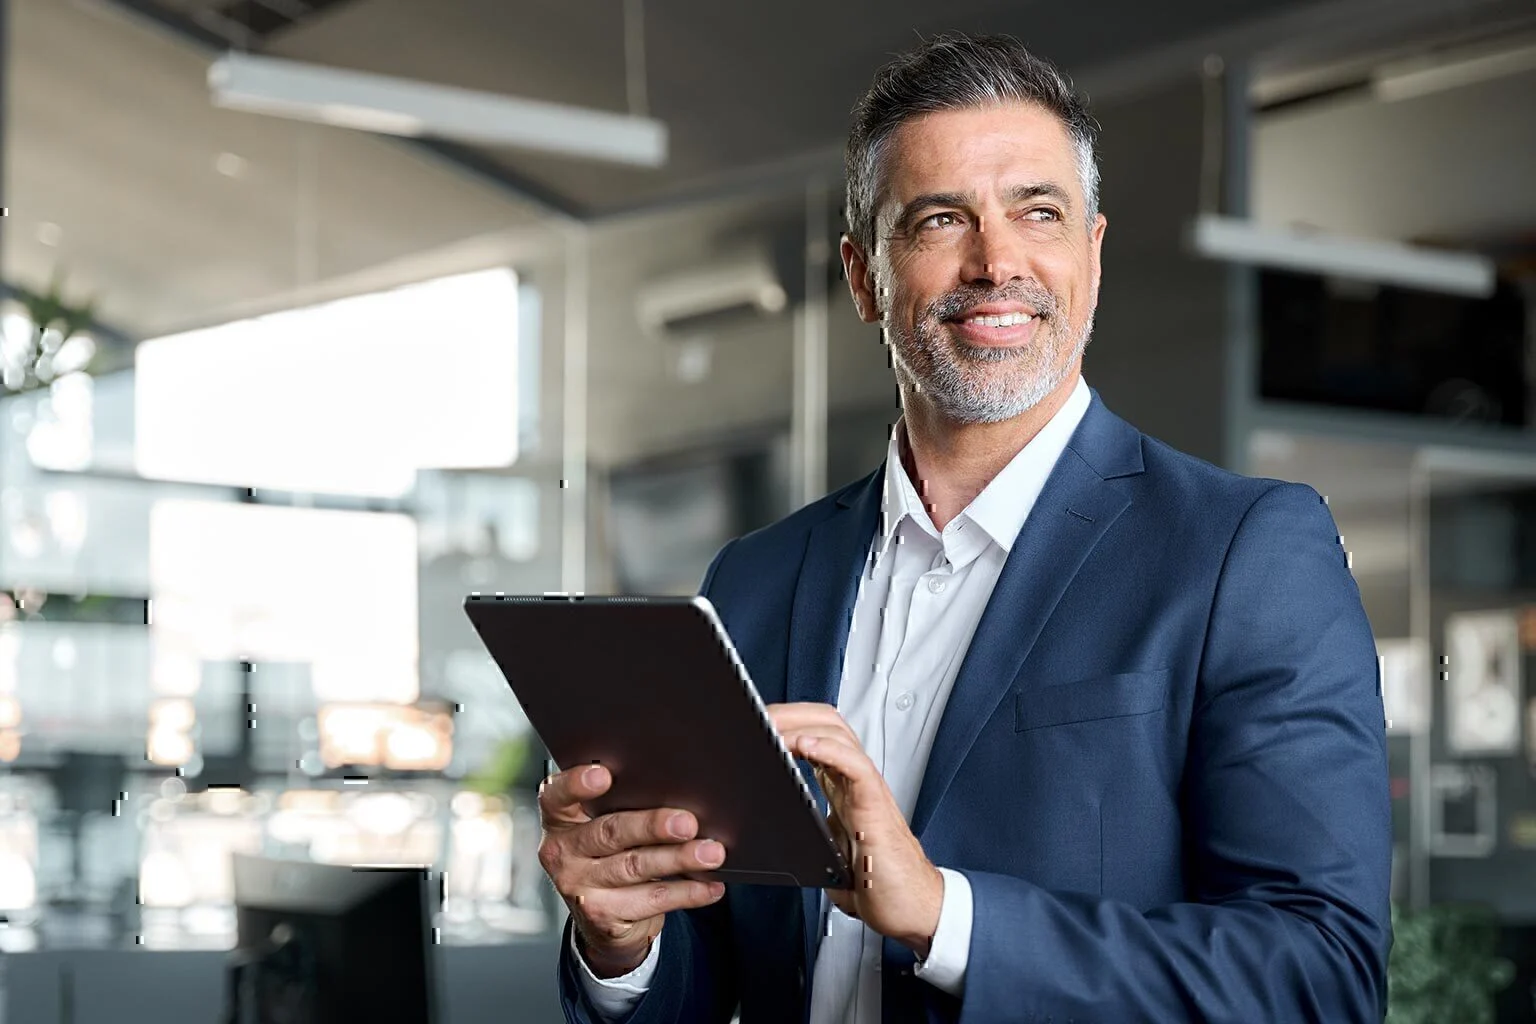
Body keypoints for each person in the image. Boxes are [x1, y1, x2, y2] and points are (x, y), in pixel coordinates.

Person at [537, 32, 1392, 1024]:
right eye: (942, 218)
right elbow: (710, 976)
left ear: (1092, 255)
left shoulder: (1244, 551)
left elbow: (1320, 976)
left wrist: (948, 918)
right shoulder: (758, 580)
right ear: (865, 277)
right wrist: (623, 939)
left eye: (1039, 211)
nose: (997, 261)